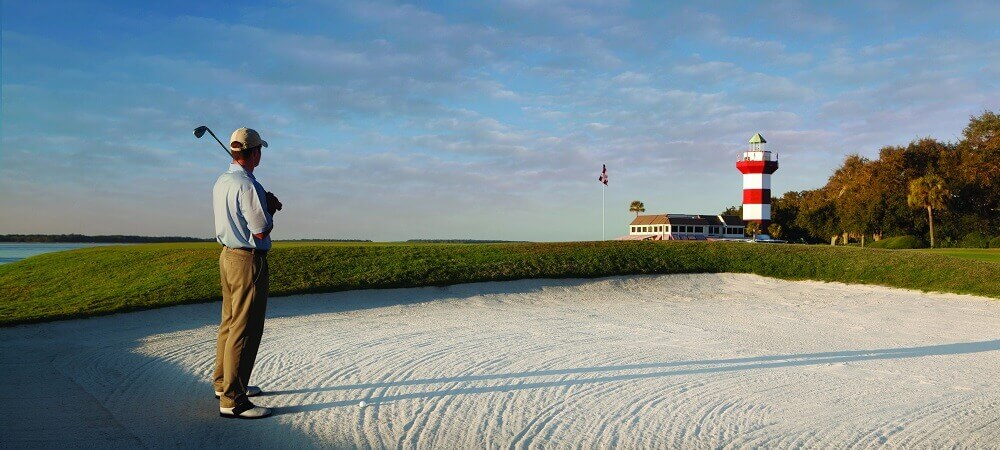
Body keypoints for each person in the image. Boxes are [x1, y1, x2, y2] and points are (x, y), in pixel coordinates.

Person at [211, 127, 282, 419]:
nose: (261, 154)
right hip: (247, 261)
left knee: (229, 323)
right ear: (253, 153)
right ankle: (233, 400)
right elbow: (260, 227)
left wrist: (262, 203)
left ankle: (223, 384)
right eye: (259, 150)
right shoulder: (248, 186)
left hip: (227, 257)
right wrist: (271, 208)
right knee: (246, 328)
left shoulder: (222, 181)